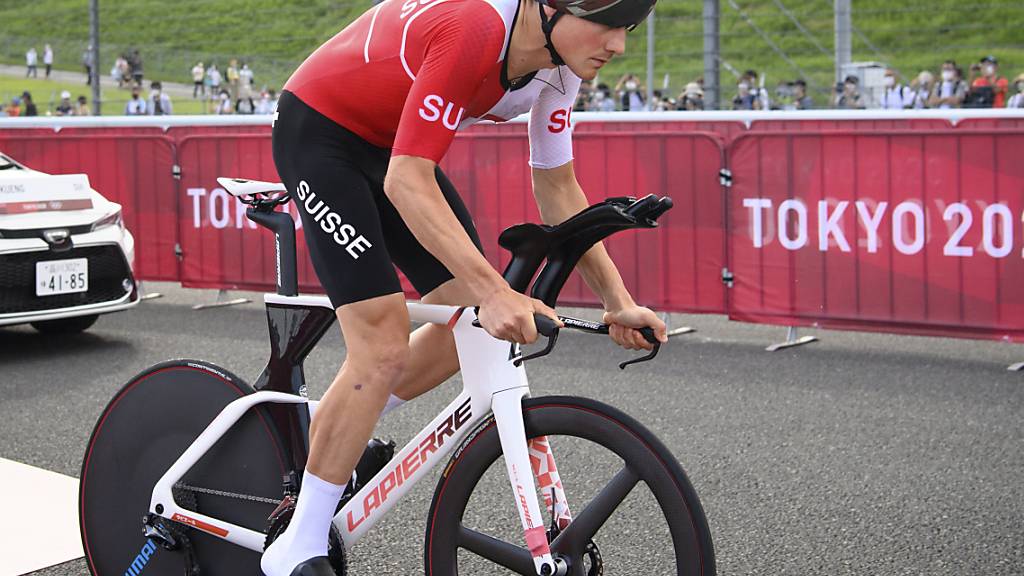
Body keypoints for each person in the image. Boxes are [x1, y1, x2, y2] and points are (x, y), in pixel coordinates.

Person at [260, 0, 665, 575]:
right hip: (320, 133)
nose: (618, 44)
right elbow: (407, 180)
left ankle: (333, 426)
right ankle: (296, 548)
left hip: (388, 147)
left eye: (628, 27)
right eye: (607, 23)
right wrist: (494, 292)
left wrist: (617, 302)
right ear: (550, 7)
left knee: (468, 327)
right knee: (383, 342)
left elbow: (557, 186)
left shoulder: (560, 64)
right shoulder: (478, 28)